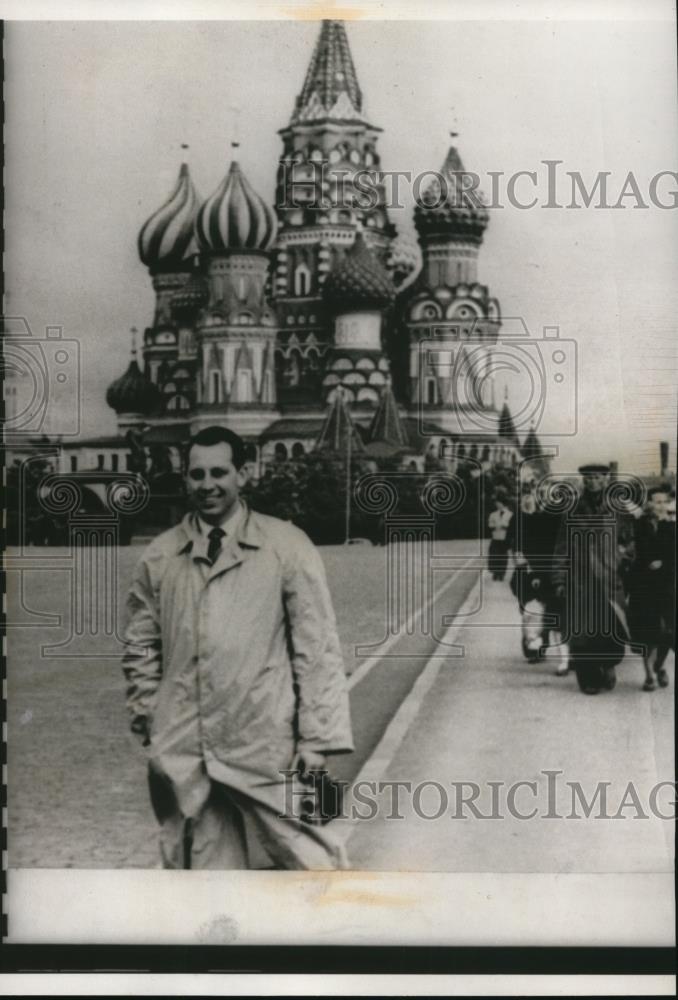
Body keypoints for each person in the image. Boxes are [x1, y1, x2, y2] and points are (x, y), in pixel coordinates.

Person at [122, 425, 354, 870]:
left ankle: (337, 938)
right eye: (196, 475)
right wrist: (151, 716)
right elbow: (140, 646)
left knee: (306, 856)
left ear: (242, 473)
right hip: (183, 742)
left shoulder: (285, 546)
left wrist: (317, 740)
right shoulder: (161, 555)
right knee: (198, 864)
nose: (207, 485)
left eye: (219, 472)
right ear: (185, 478)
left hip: (263, 736)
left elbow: (317, 647)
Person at [552, 464, 634, 695]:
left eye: (597, 477)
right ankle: (587, 678)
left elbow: (631, 541)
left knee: (611, 630)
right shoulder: (572, 510)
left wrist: (623, 559)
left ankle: (608, 664)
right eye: (588, 477)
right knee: (582, 634)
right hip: (579, 581)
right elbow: (561, 548)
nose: (592, 481)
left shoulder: (617, 509)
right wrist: (559, 580)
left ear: (605, 478)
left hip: (609, 581)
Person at [509, 487, 568, 673]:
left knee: (559, 614)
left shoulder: (570, 520)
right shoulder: (538, 520)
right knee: (535, 611)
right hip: (539, 572)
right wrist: (527, 568)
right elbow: (524, 545)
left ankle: (564, 654)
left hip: (561, 573)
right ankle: (534, 643)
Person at [627, 486, 675, 691]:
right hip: (643, 585)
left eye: (664, 501)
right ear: (648, 503)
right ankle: (649, 675)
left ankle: (659, 665)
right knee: (647, 631)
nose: (660, 505)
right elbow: (634, 550)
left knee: (667, 632)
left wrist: (664, 563)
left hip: (667, 585)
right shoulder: (639, 524)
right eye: (656, 501)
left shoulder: (673, 526)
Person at [487, 495, 513, 581]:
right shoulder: (493, 514)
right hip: (496, 537)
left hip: (505, 538)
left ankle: (501, 573)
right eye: (496, 503)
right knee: (494, 555)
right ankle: (495, 573)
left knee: (503, 556)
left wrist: (505, 526)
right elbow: (490, 525)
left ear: (503, 504)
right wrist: (495, 526)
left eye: (499, 503)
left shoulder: (510, 514)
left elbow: (512, 526)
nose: (497, 505)